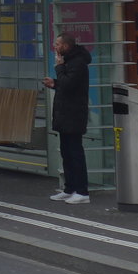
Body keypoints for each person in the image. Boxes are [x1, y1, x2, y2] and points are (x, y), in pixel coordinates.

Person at [43, 33, 92, 204]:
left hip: (74, 113)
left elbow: (70, 84)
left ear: (66, 46)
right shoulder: (70, 62)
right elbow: (65, 84)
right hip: (65, 113)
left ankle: (82, 191)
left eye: (57, 44)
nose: (55, 47)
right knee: (66, 152)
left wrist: (59, 67)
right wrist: (54, 83)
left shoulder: (77, 62)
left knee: (75, 152)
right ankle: (70, 188)